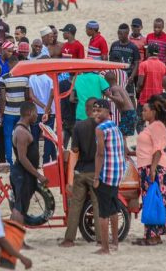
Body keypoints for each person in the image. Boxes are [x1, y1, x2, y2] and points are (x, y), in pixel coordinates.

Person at [132, 95, 166, 246]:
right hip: (147, 166)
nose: (142, 113)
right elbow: (147, 148)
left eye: (145, 110)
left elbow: (158, 150)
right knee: (151, 201)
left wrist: (152, 170)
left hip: (155, 168)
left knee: (154, 201)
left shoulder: (158, 125)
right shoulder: (151, 126)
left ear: (153, 112)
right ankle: (152, 235)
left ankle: (153, 235)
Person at [60, 98, 103, 247]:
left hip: (81, 171)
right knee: (97, 205)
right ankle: (100, 239)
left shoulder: (79, 126)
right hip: (96, 171)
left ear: (86, 109)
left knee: (75, 206)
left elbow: (75, 150)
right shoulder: (102, 126)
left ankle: (69, 239)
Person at [93, 99, 127, 255]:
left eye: (99, 110)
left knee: (103, 212)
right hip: (118, 172)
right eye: (94, 110)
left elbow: (100, 154)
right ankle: (115, 242)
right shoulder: (115, 126)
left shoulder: (100, 129)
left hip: (106, 174)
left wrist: (95, 176)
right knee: (114, 208)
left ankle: (105, 248)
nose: (96, 113)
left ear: (108, 111)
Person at [10, 102, 48, 225]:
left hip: (25, 173)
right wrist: (38, 175)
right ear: (29, 113)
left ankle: (16, 239)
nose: (37, 115)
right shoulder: (21, 132)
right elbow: (22, 158)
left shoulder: (25, 128)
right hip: (22, 173)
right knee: (19, 208)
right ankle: (17, 241)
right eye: (36, 113)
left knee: (22, 206)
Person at [0, 56, 30, 165]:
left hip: (8, 112)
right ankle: (22, 158)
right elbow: (27, 96)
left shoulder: (3, 78)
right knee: (21, 136)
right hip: (21, 113)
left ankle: (9, 161)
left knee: (8, 137)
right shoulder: (25, 78)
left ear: (9, 64)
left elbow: (2, 98)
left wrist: (1, 113)